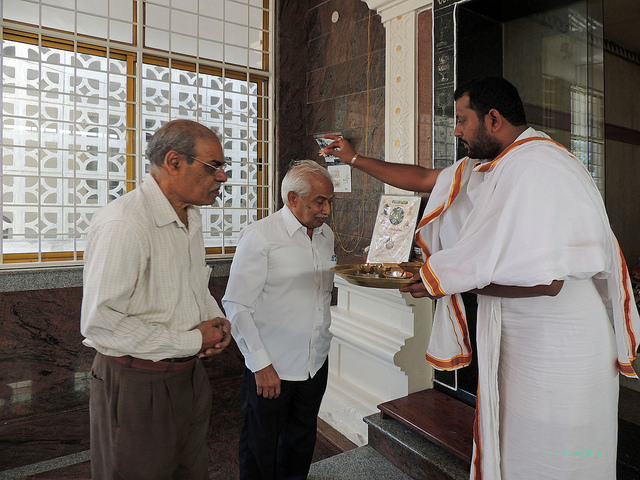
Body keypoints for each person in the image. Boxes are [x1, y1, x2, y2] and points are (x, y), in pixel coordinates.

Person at [322, 77, 639, 480]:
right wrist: (354, 159)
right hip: (527, 333)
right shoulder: (496, 164)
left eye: (461, 119)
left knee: (555, 454)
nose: (455, 131)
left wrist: (448, 279)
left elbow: (547, 281)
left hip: (560, 342)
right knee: (517, 447)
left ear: (492, 119)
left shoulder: (539, 167)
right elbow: (423, 180)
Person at [80, 119, 233, 480]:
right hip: (136, 382)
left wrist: (216, 321)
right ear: (174, 162)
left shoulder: (190, 217)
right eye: (214, 167)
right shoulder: (125, 224)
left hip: (187, 376)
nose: (223, 178)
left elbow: (195, 284)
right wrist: (194, 338)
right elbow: (101, 322)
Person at [222, 160, 336, 480]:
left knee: (300, 442)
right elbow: (236, 305)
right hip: (271, 369)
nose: (326, 209)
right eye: (319, 201)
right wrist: (260, 364)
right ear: (292, 199)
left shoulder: (326, 236)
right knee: (260, 448)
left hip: (314, 362)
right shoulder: (261, 236)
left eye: (330, 201)